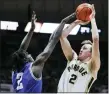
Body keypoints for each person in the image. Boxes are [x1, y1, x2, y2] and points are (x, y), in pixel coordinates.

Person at [9, 11, 75, 93]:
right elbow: (53, 40)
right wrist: (63, 22)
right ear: (26, 59)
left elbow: (21, 51)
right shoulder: (34, 68)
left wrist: (32, 29)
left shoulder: (15, 71)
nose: (30, 55)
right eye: (28, 54)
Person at [58, 4, 101, 93]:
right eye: (81, 48)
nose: (81, 49)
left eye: (85, 48)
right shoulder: (72, 58)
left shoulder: (92, 66)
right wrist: (77, 22)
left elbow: (96, 39)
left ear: (91, 53)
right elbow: (62, 36)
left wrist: (92, 18)